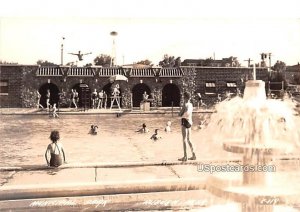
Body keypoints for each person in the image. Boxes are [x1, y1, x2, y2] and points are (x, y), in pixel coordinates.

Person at [178, 91, 196, 161]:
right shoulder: (191, 104)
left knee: (184, 139)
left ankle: (185, 156)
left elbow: (180, 114)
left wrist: (180, 112)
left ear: (184, 97)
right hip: (190, 122)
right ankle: (194, 155)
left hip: (185, 121)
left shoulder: (185, 105)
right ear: (190, 97)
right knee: (189, 139)